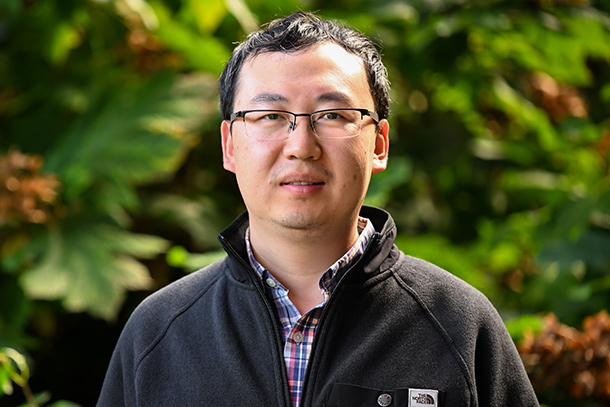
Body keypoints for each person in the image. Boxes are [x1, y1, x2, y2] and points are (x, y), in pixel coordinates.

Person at [98, 11, 539, 407]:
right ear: (229, 146)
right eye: (270, 116)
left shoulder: (459, 326)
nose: (301, 147)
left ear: (379, 144)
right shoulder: (159, 332)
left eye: (333, 115)